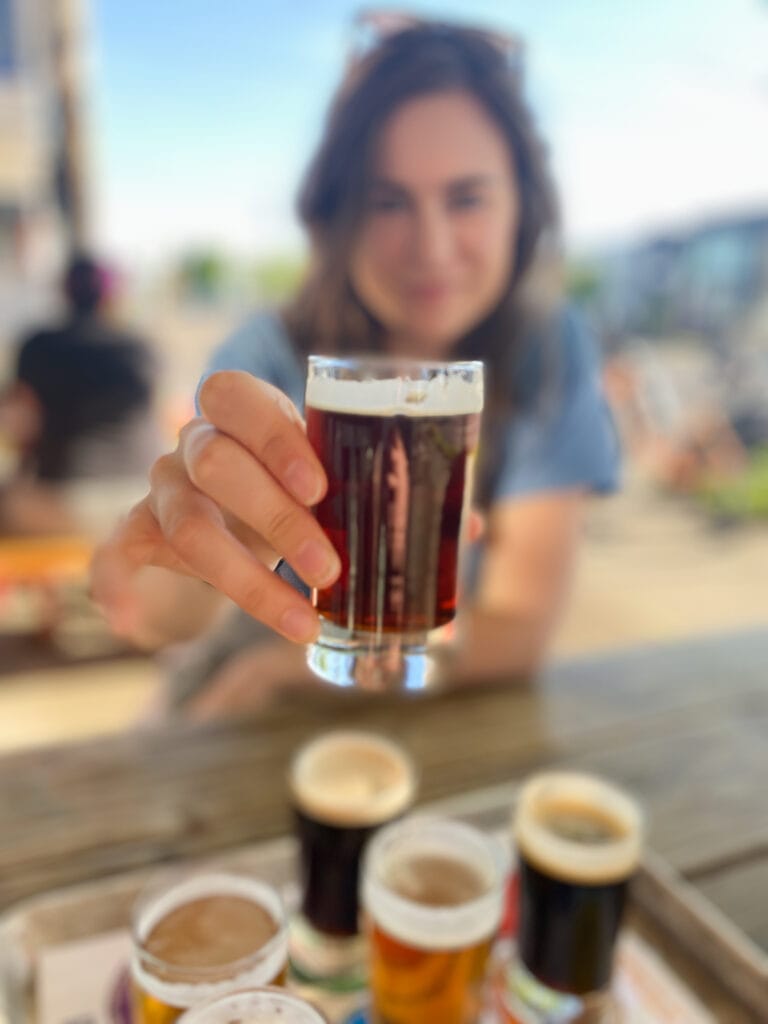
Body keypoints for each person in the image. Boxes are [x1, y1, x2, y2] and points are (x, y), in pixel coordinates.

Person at [91, 15, 620, 719]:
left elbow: (521, 631)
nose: (430, 246)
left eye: (466, 197)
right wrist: (189, 541)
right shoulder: (272, 355)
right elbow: (156, 618)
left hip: (411, 723)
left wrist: (284, 667)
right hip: (240, 727)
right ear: (337, 214)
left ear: (524, 208)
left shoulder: (547, 350)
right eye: (388, 200)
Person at [0, 253, 161, 536]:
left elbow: (17, 423)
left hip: (62, 505)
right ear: (112, 295)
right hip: (142, 500)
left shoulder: (38, 346)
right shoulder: (141, 347)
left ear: (63, 292)